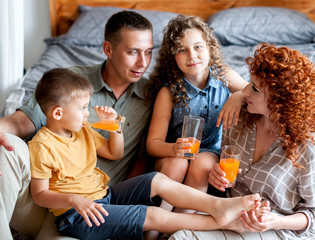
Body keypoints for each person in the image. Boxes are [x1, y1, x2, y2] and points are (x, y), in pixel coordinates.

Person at [29, 67, 262, 240]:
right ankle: (221, 223)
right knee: (151, 215)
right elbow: (40, 194)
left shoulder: (83, 131)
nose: (87, 114)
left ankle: (217, 206)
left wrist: (115, 127)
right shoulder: (42, 145)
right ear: (58, 113)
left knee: (157, 180)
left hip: (103, 196)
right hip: (79, 216)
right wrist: (72, 199)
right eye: (82, 109)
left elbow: (114, 152)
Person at [0, 10, 154, 238]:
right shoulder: (72, 82)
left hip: (91, 212)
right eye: (133, 52)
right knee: (7, 147)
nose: (143, 63)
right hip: (37, 200)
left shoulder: (153, 93)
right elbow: (19, 122)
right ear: (108, 49)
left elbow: (142, 155)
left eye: (149, 53)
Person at [170, 43, 315, 240]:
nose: (244, 90)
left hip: (274, 229)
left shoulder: (310, 148)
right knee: (177, 234)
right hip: (231, 213)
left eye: (254, 88)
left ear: (279, 101)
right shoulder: (240, 120)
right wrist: (216, 175)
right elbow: (227, 174)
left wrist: (275, 220)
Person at [146, 15, 247, 215]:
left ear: (210, 48)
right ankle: (155, 228)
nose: (192, 56)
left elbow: (252, 91)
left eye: (198, 47)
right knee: (177, 164)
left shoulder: (223, 76)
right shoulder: (169, 92)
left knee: (201, 164)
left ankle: (180, 225)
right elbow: (152, 144)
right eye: (182, 50)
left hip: (209, 150)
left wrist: (239, 96)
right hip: (172, 154)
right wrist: (174, 148)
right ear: (172, 56)